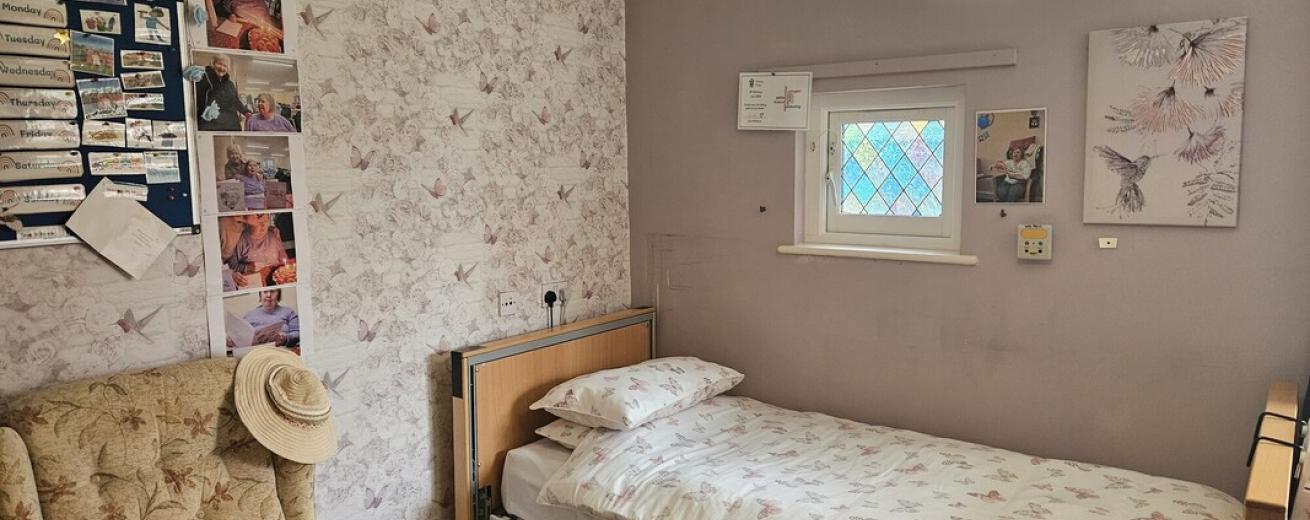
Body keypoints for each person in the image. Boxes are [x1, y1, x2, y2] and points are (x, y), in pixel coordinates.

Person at [227, 213, 289, 288]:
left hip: (276, 280)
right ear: (248, 224)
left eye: (266, 221)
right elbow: (231, 267)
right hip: (254, 283)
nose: (263, 226)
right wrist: (248, 267)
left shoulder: (273, 235)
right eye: (259, 223)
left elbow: (283, 257)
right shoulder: (239, 241)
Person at [196, 55, 250, 131]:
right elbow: (198, 98)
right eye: (219, 64)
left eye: (225, 66)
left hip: (232, 124)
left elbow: (235, 101)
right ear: (213, 64)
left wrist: (246, 112)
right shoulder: (204, 77)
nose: (222, 68)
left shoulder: (230, 84)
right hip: (211, 124)